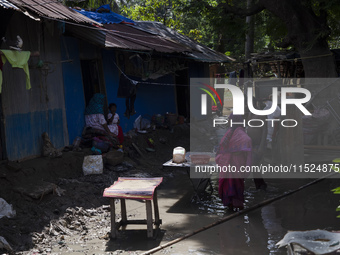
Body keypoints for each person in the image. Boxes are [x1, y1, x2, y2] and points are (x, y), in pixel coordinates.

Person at [216, 113, 252, 210]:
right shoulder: (232, 131)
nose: (228, 121)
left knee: (232, 185)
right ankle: (235, 205)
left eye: (230, 119)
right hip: (234, 162)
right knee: (235, 185)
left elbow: (247, 140)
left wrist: (234, 152)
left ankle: (232, 205)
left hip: (235, 162)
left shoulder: (237, 132)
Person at [246, 97, 267, 190]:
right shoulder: (250, 114)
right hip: (252, 145)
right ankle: (259, 185)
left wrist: (261, 147)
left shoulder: (261, 114)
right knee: (254, 166)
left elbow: (264, 131)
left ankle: (261, 185)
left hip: (259, 145)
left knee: (255, 165)